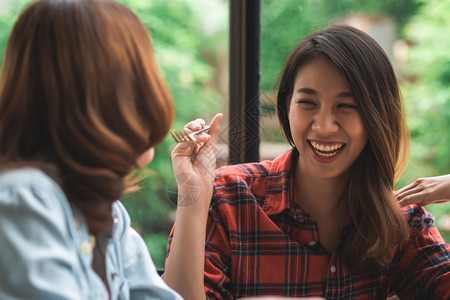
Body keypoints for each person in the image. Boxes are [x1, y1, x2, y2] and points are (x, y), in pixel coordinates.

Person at [167, 25, 450, 299]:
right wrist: (193, 197)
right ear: (287, 106)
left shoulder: (401, 224)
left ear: (376, 117)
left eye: (346, 106)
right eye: (308, 103)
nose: (324, 126)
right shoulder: (227, 197)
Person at [0, 0, 222, 299]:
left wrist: (195, 193)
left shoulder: (108, 214)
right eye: (141, 75)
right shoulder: (26, 199)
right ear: (97, 95)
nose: (155, 89)